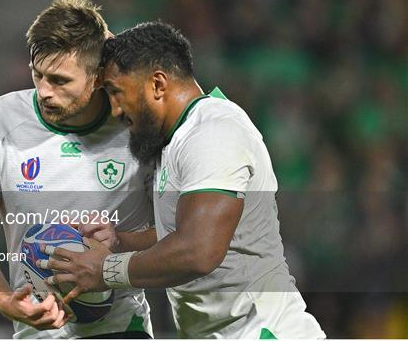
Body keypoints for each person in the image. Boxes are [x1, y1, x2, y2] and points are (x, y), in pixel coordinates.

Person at [42, 22, 327, 338]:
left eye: (116, 92)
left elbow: (198, 251)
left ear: (158, 84)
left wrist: (106, 271)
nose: (114, 109)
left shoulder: (213, 132)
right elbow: (179, 234)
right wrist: (119, 240)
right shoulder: (177, 140)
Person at [0, 0, 155, 339]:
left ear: (97, 76)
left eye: (60, 80)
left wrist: (120, 242)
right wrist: (6, 302)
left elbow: (182, 236)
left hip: (122, 328)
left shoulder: (140, 127)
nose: (44, 91)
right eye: (38, 74)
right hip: (38, 332)